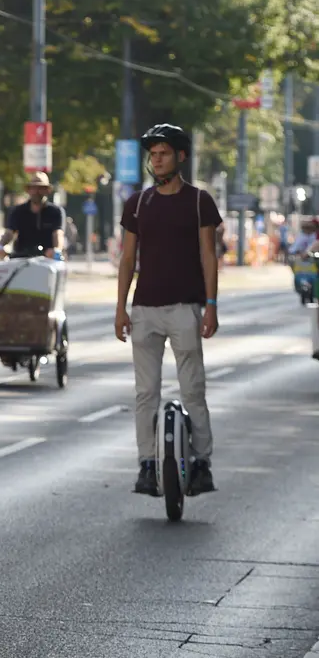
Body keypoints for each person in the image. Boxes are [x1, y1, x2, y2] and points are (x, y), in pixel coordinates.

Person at [114, 123, 219, 497]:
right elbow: (128, 259)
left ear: (180, 157)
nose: (156, 160)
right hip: (145, 310)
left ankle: (202, 463)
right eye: (152, 154)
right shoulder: (138, 204)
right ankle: (146, 465)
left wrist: (211, 306)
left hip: (186, 308)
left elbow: (209, 255)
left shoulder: (198, 201)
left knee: (194, 389)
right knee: (146, 393)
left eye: (163, 154)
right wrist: (120, 308)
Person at [0, 171, 64, 259]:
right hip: (21, 258)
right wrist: (0, 246)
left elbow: (58, 233)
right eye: (34, 188)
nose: (36, 192)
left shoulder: (55, 211)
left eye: (41, 188)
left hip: (47, 260)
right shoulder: (18, 211)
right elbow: (9, 232)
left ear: (47, 190)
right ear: (28, 190)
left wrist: (57, 250)